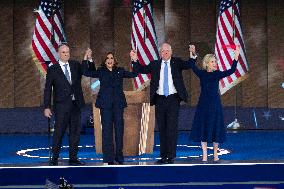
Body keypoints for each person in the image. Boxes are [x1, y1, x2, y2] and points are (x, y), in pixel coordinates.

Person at [130, 43, 195, 164]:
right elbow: (141, 69)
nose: (165, 53)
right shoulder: (155, 64)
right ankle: (163, 156)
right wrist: (135, 59)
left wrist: (193, 54)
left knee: (172, 128)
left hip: (173, 99)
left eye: (167, 51)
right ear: (160, 53)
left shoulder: (177, 62)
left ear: (171, 52)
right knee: (162, 128)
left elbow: (189, 65)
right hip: (159, 99)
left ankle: (171, 156)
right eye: (163, 51)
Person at [82, 49, 137, 165]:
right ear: (104, 61)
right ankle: (108, 158)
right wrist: (86, 58)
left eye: (112, 58)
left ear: (115, 61)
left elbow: (134, 74)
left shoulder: (120, 71)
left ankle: (119, 156)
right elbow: (86, 72)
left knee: (119, 130)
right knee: (106, 132)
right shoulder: (101, 71)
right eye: (108, 58)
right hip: (105, 106)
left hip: (118, 105)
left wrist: (134, 59)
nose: (110, 60)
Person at [189, 45, 240, 162]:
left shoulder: (217, 74)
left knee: (215, 128)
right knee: (204, 128)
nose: (215, 63)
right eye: (212, 61)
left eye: (215, 61)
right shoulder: (201, 74)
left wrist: (236, 56)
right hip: (203, 105)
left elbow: (232, 70)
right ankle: (205, 155)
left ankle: (216, 155)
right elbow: (192, 65)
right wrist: (192, 53)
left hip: (215, 105)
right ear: (207, 63)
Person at [43, 44, 86, 166]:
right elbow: (47, 89)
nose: (66, 54)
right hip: (61, 106)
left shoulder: (75, 65)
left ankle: (73, 158)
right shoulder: (52, 69)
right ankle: (54, 158)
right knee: (59, 132)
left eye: (67, 52)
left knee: (75, 133)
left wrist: (88, 59)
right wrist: (46, 107)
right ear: (58, 53)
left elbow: (86, 71)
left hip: (75, 104)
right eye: (63, 52)